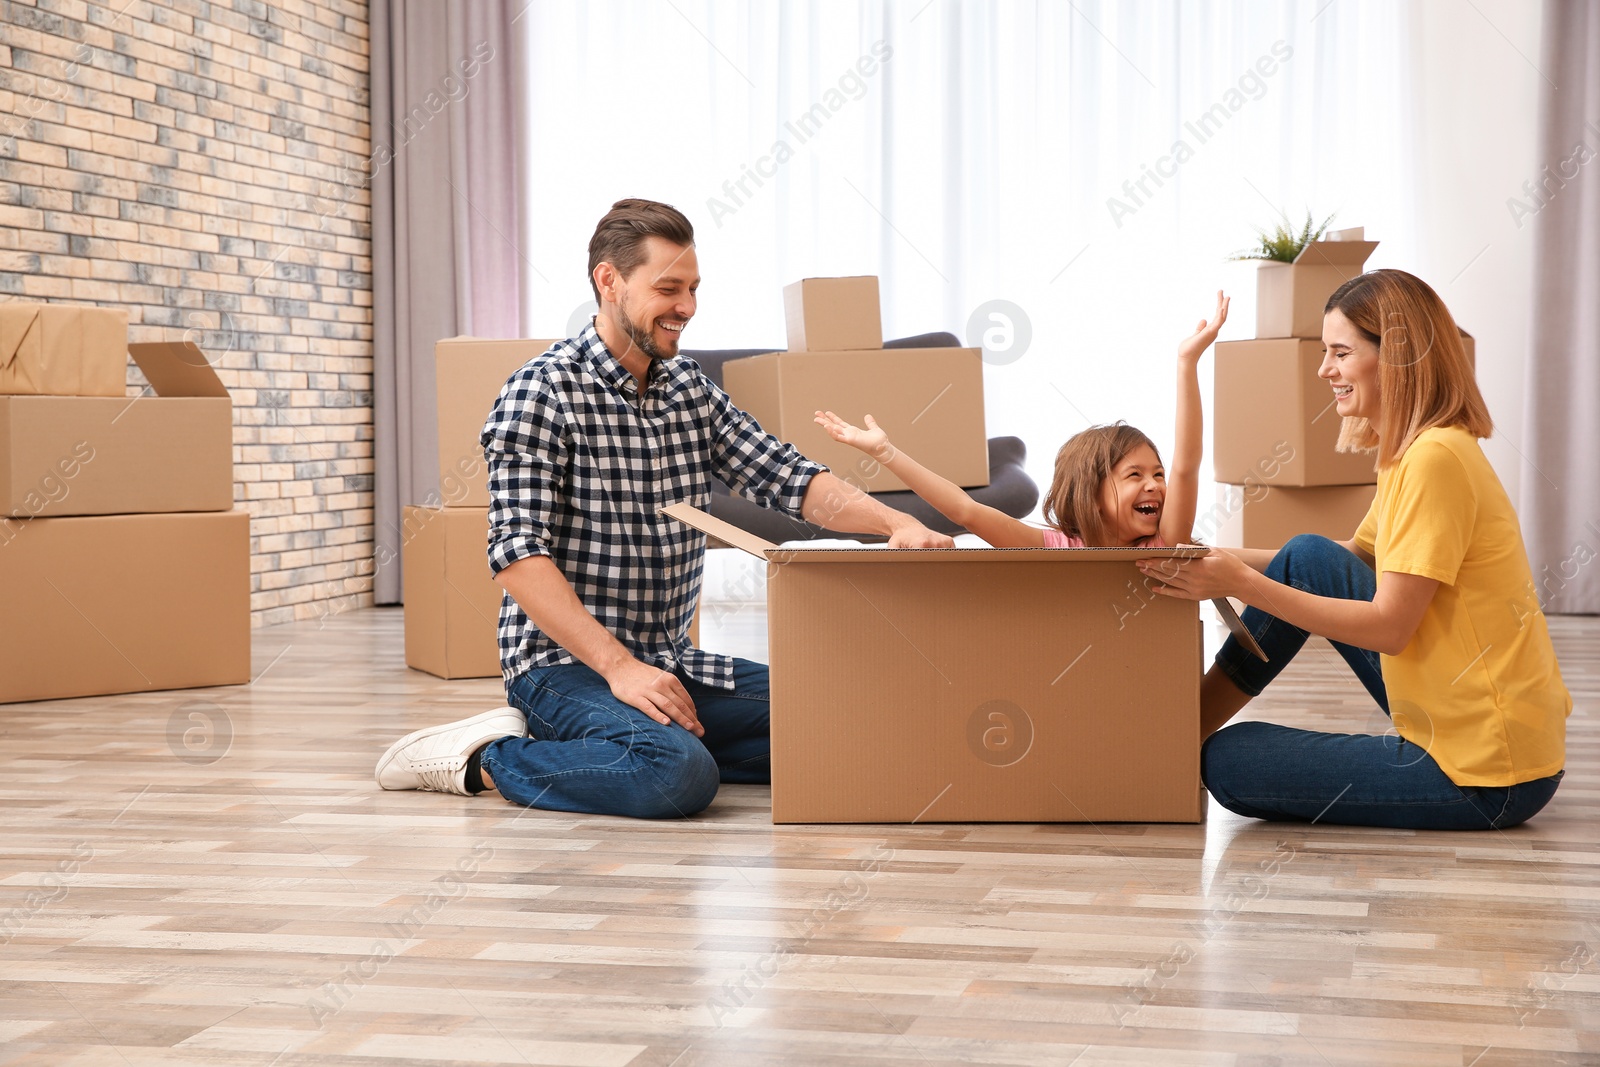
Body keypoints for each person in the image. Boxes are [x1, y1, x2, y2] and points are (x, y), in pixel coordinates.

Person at [374, 198, 953, 818]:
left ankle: (630, 745)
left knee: (844, 720)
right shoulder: (540, 393)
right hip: (563, 669)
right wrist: (620, 669)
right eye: (669, 288)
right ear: (609, 281)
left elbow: (787, 477)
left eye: (694, 289)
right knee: (676, 776)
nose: (687, 307)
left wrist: (893, 521)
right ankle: (487, 756)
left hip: (668, 661)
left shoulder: (690, 391)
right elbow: (518, 555)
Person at [1141, 269, 1570, 830]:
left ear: (1395, 358)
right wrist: (1210, 559)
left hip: (1488, 777)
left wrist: (1239, 584)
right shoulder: (1412, 453)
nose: (1325, 370)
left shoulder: (1434, 462)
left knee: (1226, 761)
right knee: (1308, 554)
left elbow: (1390, 627)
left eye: (1340, 353)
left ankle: (1165, 743)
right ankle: (1171, 735)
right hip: (1467, 726)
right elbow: (1342, 558)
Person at [814, 292, 1229, 549]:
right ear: (1090, 491)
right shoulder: (1053, 547)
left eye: (1157, 473)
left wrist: (1186, 363)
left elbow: (1187, 465)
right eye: (1134, 474)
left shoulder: (1164, 543)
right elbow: (966, 510)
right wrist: (887, 452)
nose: (1154, 484)